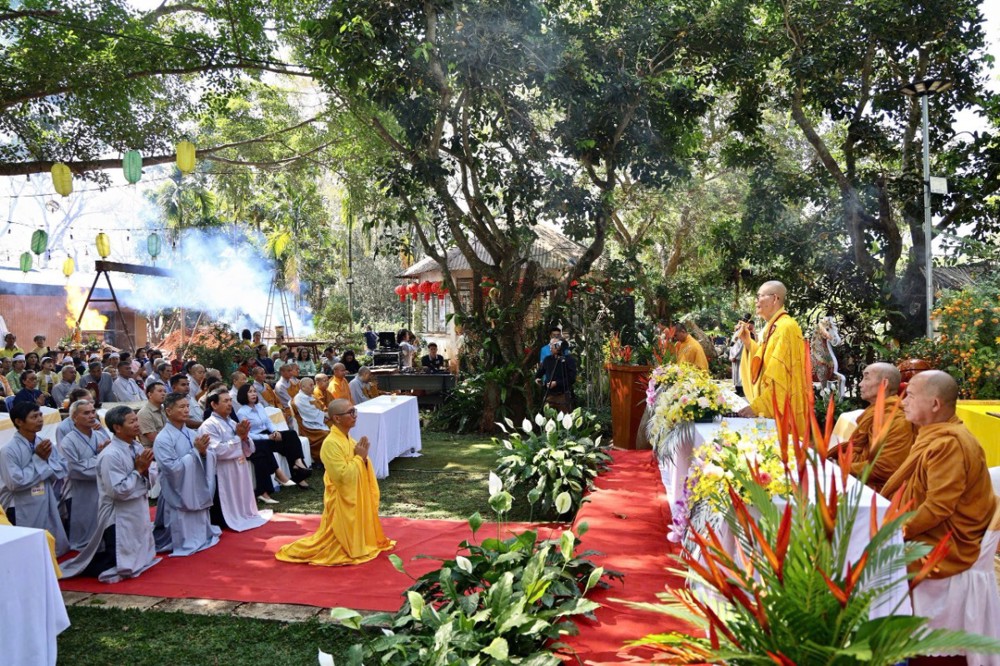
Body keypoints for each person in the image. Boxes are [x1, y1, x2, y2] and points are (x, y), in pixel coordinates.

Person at [881, 370, 996, 579]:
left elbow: (938, 508)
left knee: (866, 559)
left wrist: (896, 531)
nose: (903, 403)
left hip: (943, 544)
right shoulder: (934, 433)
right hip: (926, 528)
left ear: (935, 404)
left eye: (910, 396)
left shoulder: (948, 444)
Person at [275, 399, 395, 566]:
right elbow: (342, 476)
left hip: (352, 495)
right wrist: (359, 458)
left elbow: (358, 465)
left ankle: (357, 542)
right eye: (350, 412)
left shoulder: (348, 439)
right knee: (329, 541)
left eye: (354, 411)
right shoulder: (331, 444)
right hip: (340, 499)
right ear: (337, 418)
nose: (355, 415)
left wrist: (363, 459)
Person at [60, 405, 160, 583]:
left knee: (137, 549)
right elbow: (117, 491)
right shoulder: (110, 455)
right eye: (132, 422)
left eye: (136, 420)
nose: (137, 425)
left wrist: (144, 471)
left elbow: (150, 473)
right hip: (119, 514)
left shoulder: (136, 446)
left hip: (137, 506)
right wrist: (138, 470)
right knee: (115, 561)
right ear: (117, 428)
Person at [737, 280, 810, 436]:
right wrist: (748, 342)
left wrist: (758, 407)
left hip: (781, 409)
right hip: (768, 406)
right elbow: (763, 362)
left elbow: (780, 378)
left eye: (760, 296)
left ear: (775, 298)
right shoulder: (774, 326)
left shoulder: (786, 327)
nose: (756, 301)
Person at [152, 392, 221, 556]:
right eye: (181, 407)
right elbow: (171, 469)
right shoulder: (163, 439)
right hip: (178, 489)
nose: (186, 410)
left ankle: (201, 534)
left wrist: (204, 453)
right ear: (168, 411)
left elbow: (207, 456)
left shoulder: (192, 433)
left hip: (196, 484)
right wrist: (196, 452)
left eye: (187, 406)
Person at [828, 363, 915, 493]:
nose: (860, 384)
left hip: (878, 491)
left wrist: (841, 466)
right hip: (856, 476)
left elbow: (885, 468)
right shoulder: (874, 412)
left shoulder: (896, 420)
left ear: (884, 384)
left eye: (866, 378)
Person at [0, 402, 69, 555]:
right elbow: (14, 483)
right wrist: (38, 460)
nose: (40, 420)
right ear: (19, 422)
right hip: (19, 506)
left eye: (40, 415)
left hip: (45, 498)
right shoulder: (8, 451)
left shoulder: (44, 443)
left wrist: (44, 463)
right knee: (25, 549)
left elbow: (62, 468)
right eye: (34, 417)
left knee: (47, 543)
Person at [200, 391, 270, 529]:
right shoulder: (208, 425)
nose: (229, 404)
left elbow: (248, 449)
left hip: (238, 465)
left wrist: (245, 438)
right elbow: (217, 451)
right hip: (222, 470)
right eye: (225, 401)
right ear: (214, 404)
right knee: (226, 504)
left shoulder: (232, 422)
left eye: (230, 400)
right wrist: (239, 437)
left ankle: (242, 513)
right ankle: (228, 517)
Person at [235, 383, 310, 498]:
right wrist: (267, 437)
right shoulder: (242, 412)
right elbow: (248, 434)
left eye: (254, 391)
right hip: (258, 439)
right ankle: (293, 473)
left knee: (291, 435)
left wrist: (275, 431)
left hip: (268, 433)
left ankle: (298, 464)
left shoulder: (259, 406)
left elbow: (268, 423)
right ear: (243, 395)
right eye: (250, 392)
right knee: (271, 444)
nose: (253, 394)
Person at [59, 399, 113, 550]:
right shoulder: (68, 442)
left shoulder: (100, 435)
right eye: (86, 413)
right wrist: (100, 457)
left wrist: (99, 458)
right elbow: (75, 469)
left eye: (93, 412)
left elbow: (110, 460)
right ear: (74, 417)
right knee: (86, 532)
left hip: (102, 489)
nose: (92, 416)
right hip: (80, 491)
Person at [293, 377, 331, 461]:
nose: (313, 387)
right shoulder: (300, 399)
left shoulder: (311, 396)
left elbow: (321, 406)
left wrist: (325, 414)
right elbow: (310, 413)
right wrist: (324, 416)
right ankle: (320, 458)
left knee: (337, 426)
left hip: (319, 420)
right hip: (309, 425)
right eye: (310, 385)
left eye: (313, 385)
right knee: (326, 434)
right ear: (303, 387)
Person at [535, 339, 577, 411]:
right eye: (550, 344)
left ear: (560, 346)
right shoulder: (547, 360)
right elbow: (540, 372)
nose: (550, 347)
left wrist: (557, 383)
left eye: (553, 345)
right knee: (548, 416)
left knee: (565, 417)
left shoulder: (568, 360)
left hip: (563, 395)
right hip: (549, 395)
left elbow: (572, 378)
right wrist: (537, 378)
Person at [729, 316, 754, 397]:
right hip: (734, 356)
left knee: (740, 374)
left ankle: (742, 391)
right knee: (735, 374)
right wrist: (731, 356)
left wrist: (735, 356)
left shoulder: (743, 333)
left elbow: (741, 347)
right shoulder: (736, 333)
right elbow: (732, 345)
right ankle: (737, 390)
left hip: (739, 357)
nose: (738, 325)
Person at [137, 381, 168, 447]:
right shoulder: (144, 413)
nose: (163, 394)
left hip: (167, 445)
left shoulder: (164, 410)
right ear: (150, 395)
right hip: (153, 449)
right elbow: (154, 439)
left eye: (165, 391)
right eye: (160, 391)